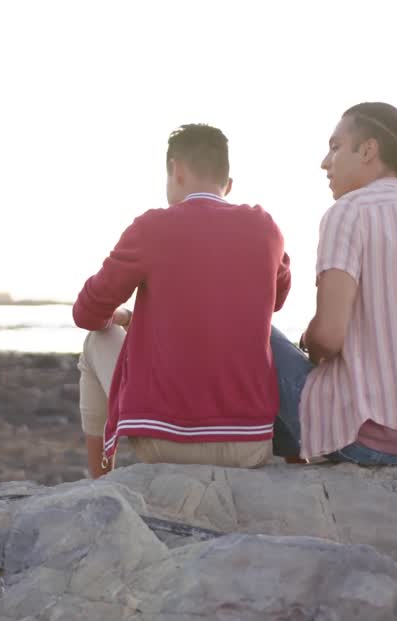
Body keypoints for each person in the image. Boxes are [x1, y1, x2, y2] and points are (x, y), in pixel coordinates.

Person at [73, 123, 291, 478]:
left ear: (175, 170)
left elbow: (87, 313)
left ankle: (100, 480)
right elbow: (276, 300)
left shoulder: (152, 227)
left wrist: (124, 317)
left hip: (166, 442)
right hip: (250, 443)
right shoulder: (265, 227)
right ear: (228, 184)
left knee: (96, 340)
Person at [271, 102, 397, 465]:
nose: (325, 162)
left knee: (254, 331)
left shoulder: (348, 212)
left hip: (358, 437)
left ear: (368, 150)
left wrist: (310, 339)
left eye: (336, 147)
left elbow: (328, 338)